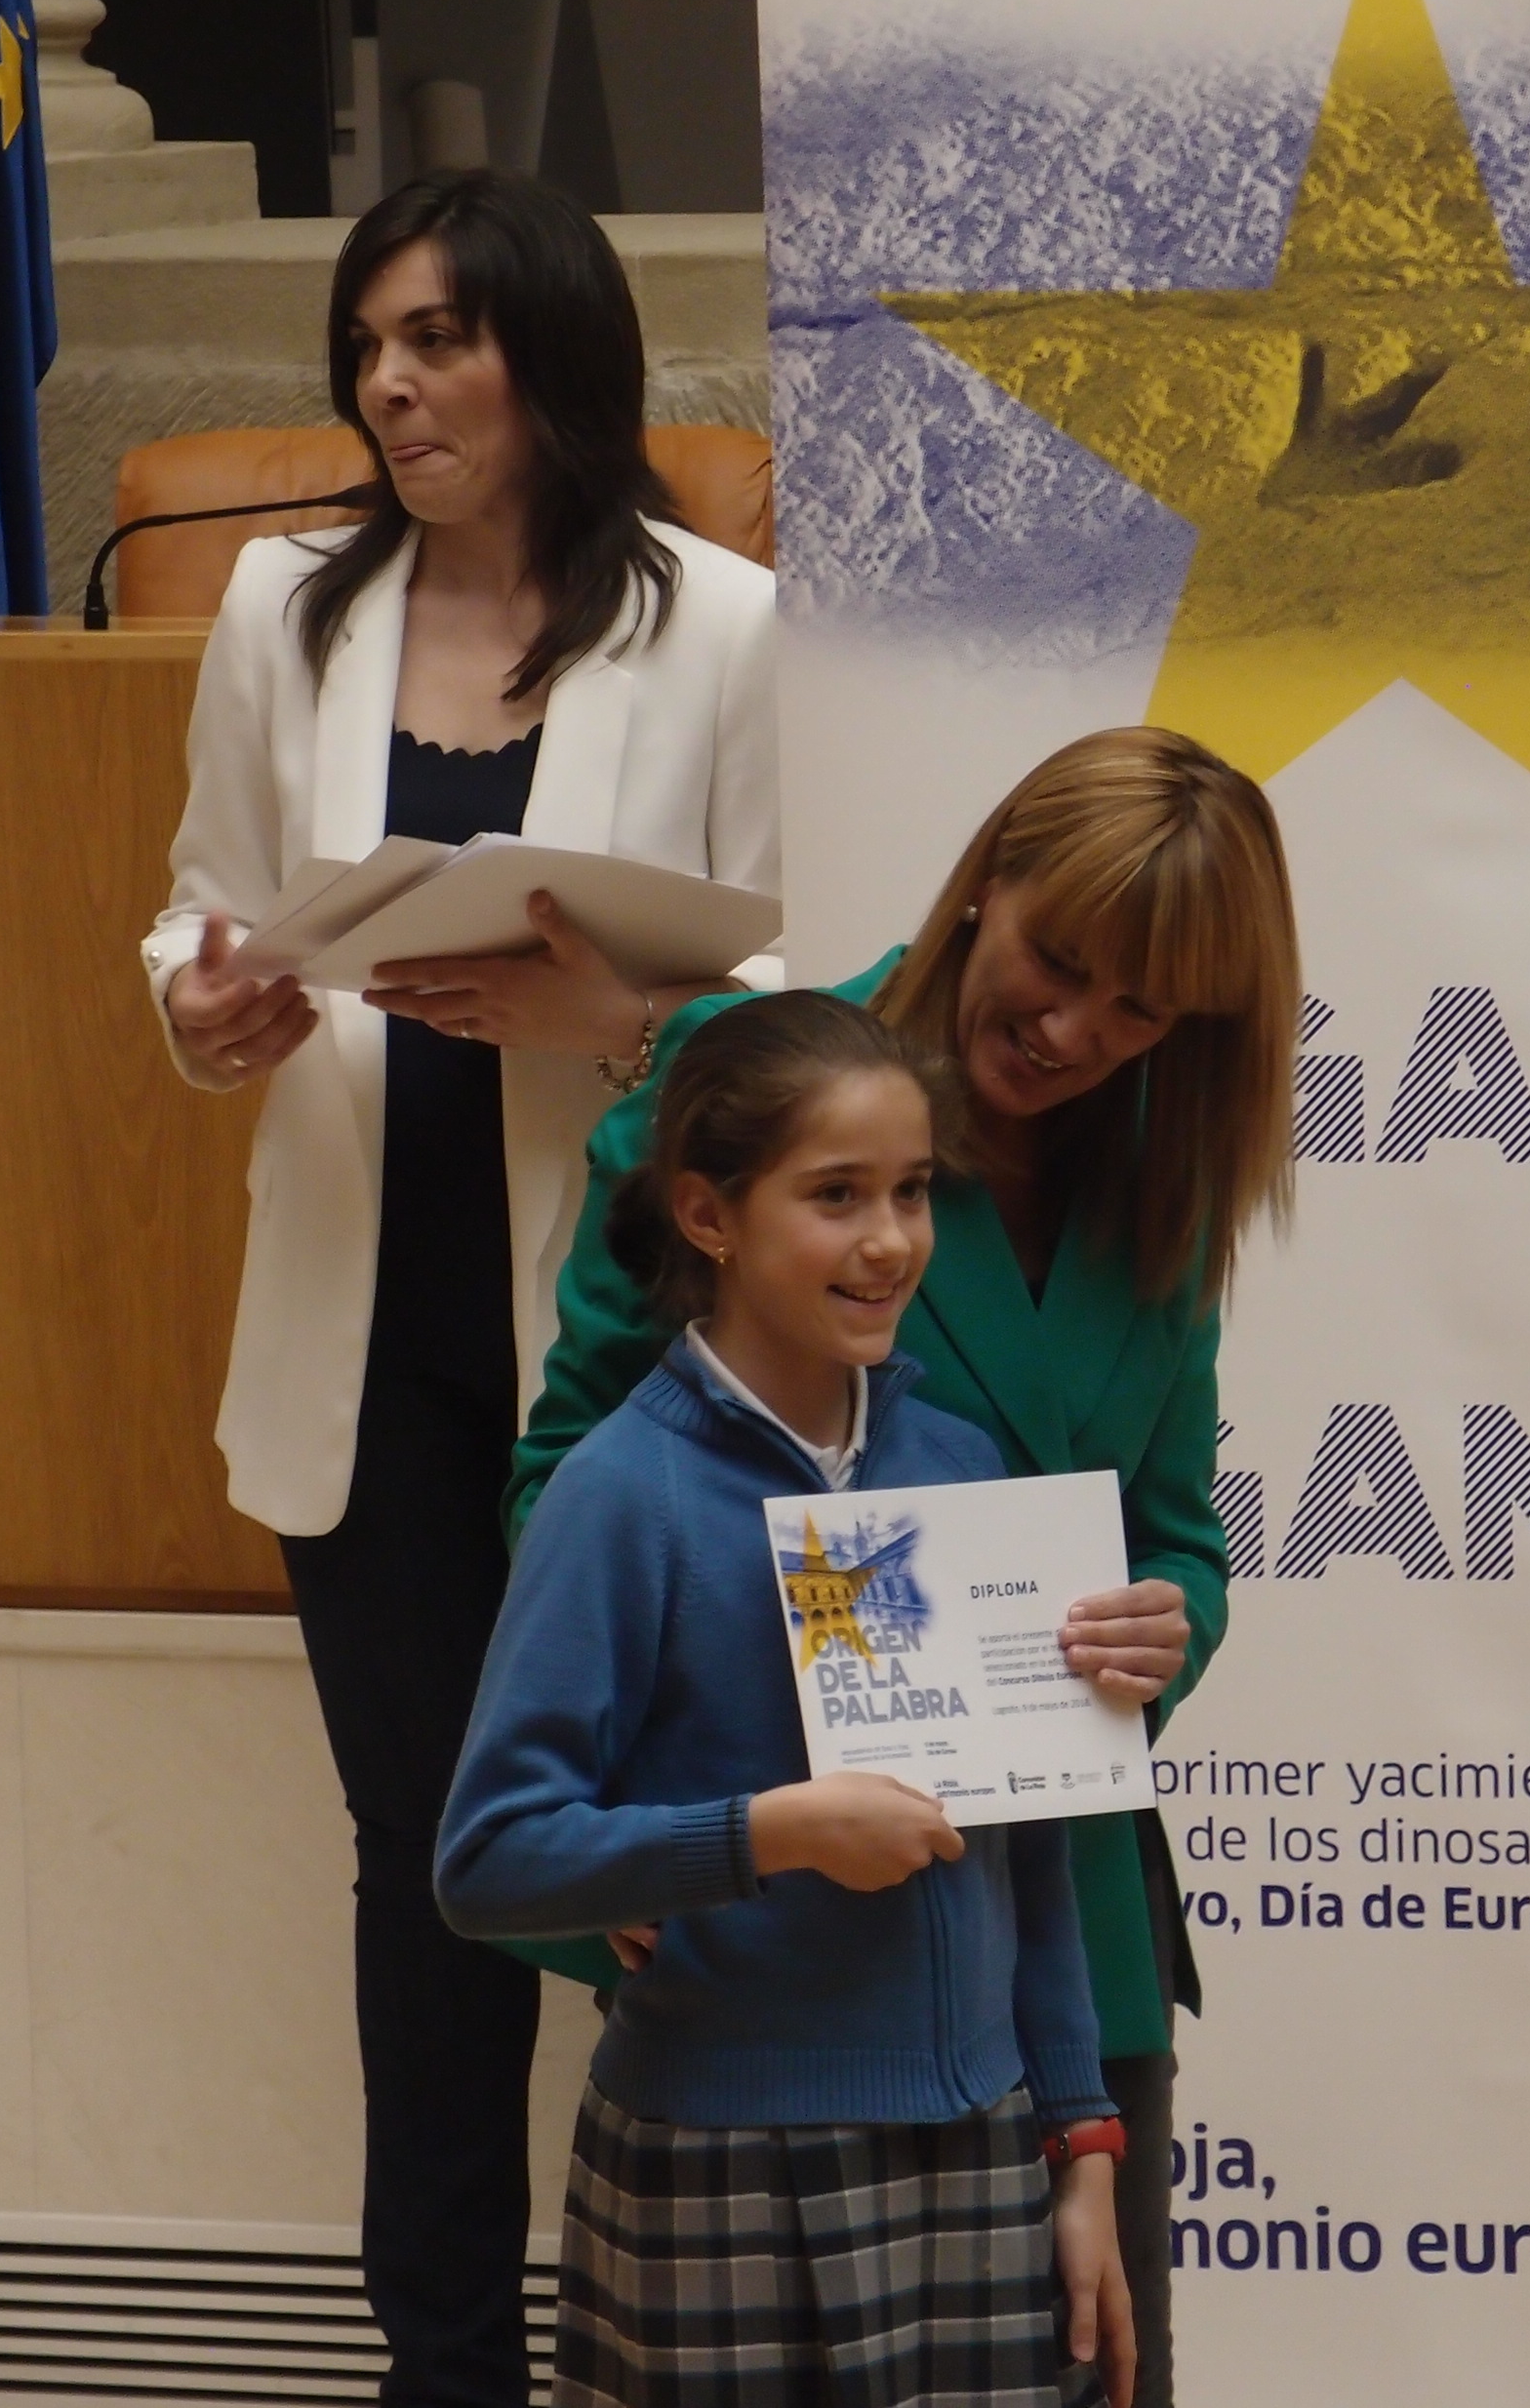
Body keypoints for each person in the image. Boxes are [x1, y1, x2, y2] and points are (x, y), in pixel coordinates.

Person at [141, 167, 780, 2407]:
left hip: (616, 1366)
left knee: (654, 1863)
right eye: (369, 347)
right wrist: (205, 1009)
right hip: (358, 1348)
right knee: (432, 1879)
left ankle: (687, 2327)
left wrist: (626, 1026)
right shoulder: (281, 614)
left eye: (436, 341)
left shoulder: (714, 624)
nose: (389, 385)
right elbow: (206, 901)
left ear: (549, 356)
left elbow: (807, 983)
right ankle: (446, 2364)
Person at [505, 724, 1301, 2408]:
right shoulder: (752, 1063)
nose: (1077, 1033)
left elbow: (1177, 1537)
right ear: (987, 876)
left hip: (1056, 1933)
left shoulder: (1166, 1170)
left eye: (1142, 1011)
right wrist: (669, 1839)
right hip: (774, 1927)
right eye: (1060, 965)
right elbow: (567, 1472)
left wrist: (1168, 1630)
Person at [438, 991, 1132, 2407]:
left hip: (983, 2148)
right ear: (708, 1216)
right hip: (725, 2163)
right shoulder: (622, 1496)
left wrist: (1081, 2141)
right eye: (835, 1196)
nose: (888, 1242)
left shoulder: (960, 1470)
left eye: (912, 1191)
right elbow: (489, 1860)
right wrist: (769, 1832)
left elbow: (1037, 1850)